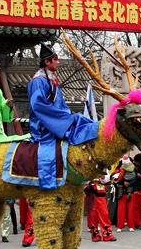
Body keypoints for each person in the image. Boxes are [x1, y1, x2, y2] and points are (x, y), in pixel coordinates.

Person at [27, 42, 99, 190]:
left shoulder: (52, 79)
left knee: (81, 120)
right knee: (77, 120)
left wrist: (67, 115)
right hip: (44, 124)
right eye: (55, 59)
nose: (58, 62)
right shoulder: (38, 81)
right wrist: (62, 119)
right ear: (47, 62)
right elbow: (39, 106)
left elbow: (61, 105)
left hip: (57, 119)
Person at [85, 172, 117, 242]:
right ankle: (95, 235)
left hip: (100, 193)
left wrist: (102, 177)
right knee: (92, 215)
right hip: (90, 192)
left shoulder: (103, 167)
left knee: (104, 214)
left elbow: (106, 179)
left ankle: (107, 234)